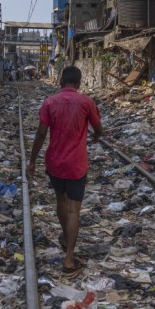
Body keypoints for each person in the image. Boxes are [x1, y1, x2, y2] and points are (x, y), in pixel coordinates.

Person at [27, 66, 103, 274]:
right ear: (78, 83)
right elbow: (98, 128)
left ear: (61, 82)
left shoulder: (49, 103)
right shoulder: (86, 102)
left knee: (61, 201)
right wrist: (95, 136)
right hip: (77, 164)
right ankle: (69, 257)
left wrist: (32, 161)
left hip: (55, 163)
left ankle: (65, 234)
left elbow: (41, 134)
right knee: (74, 210)